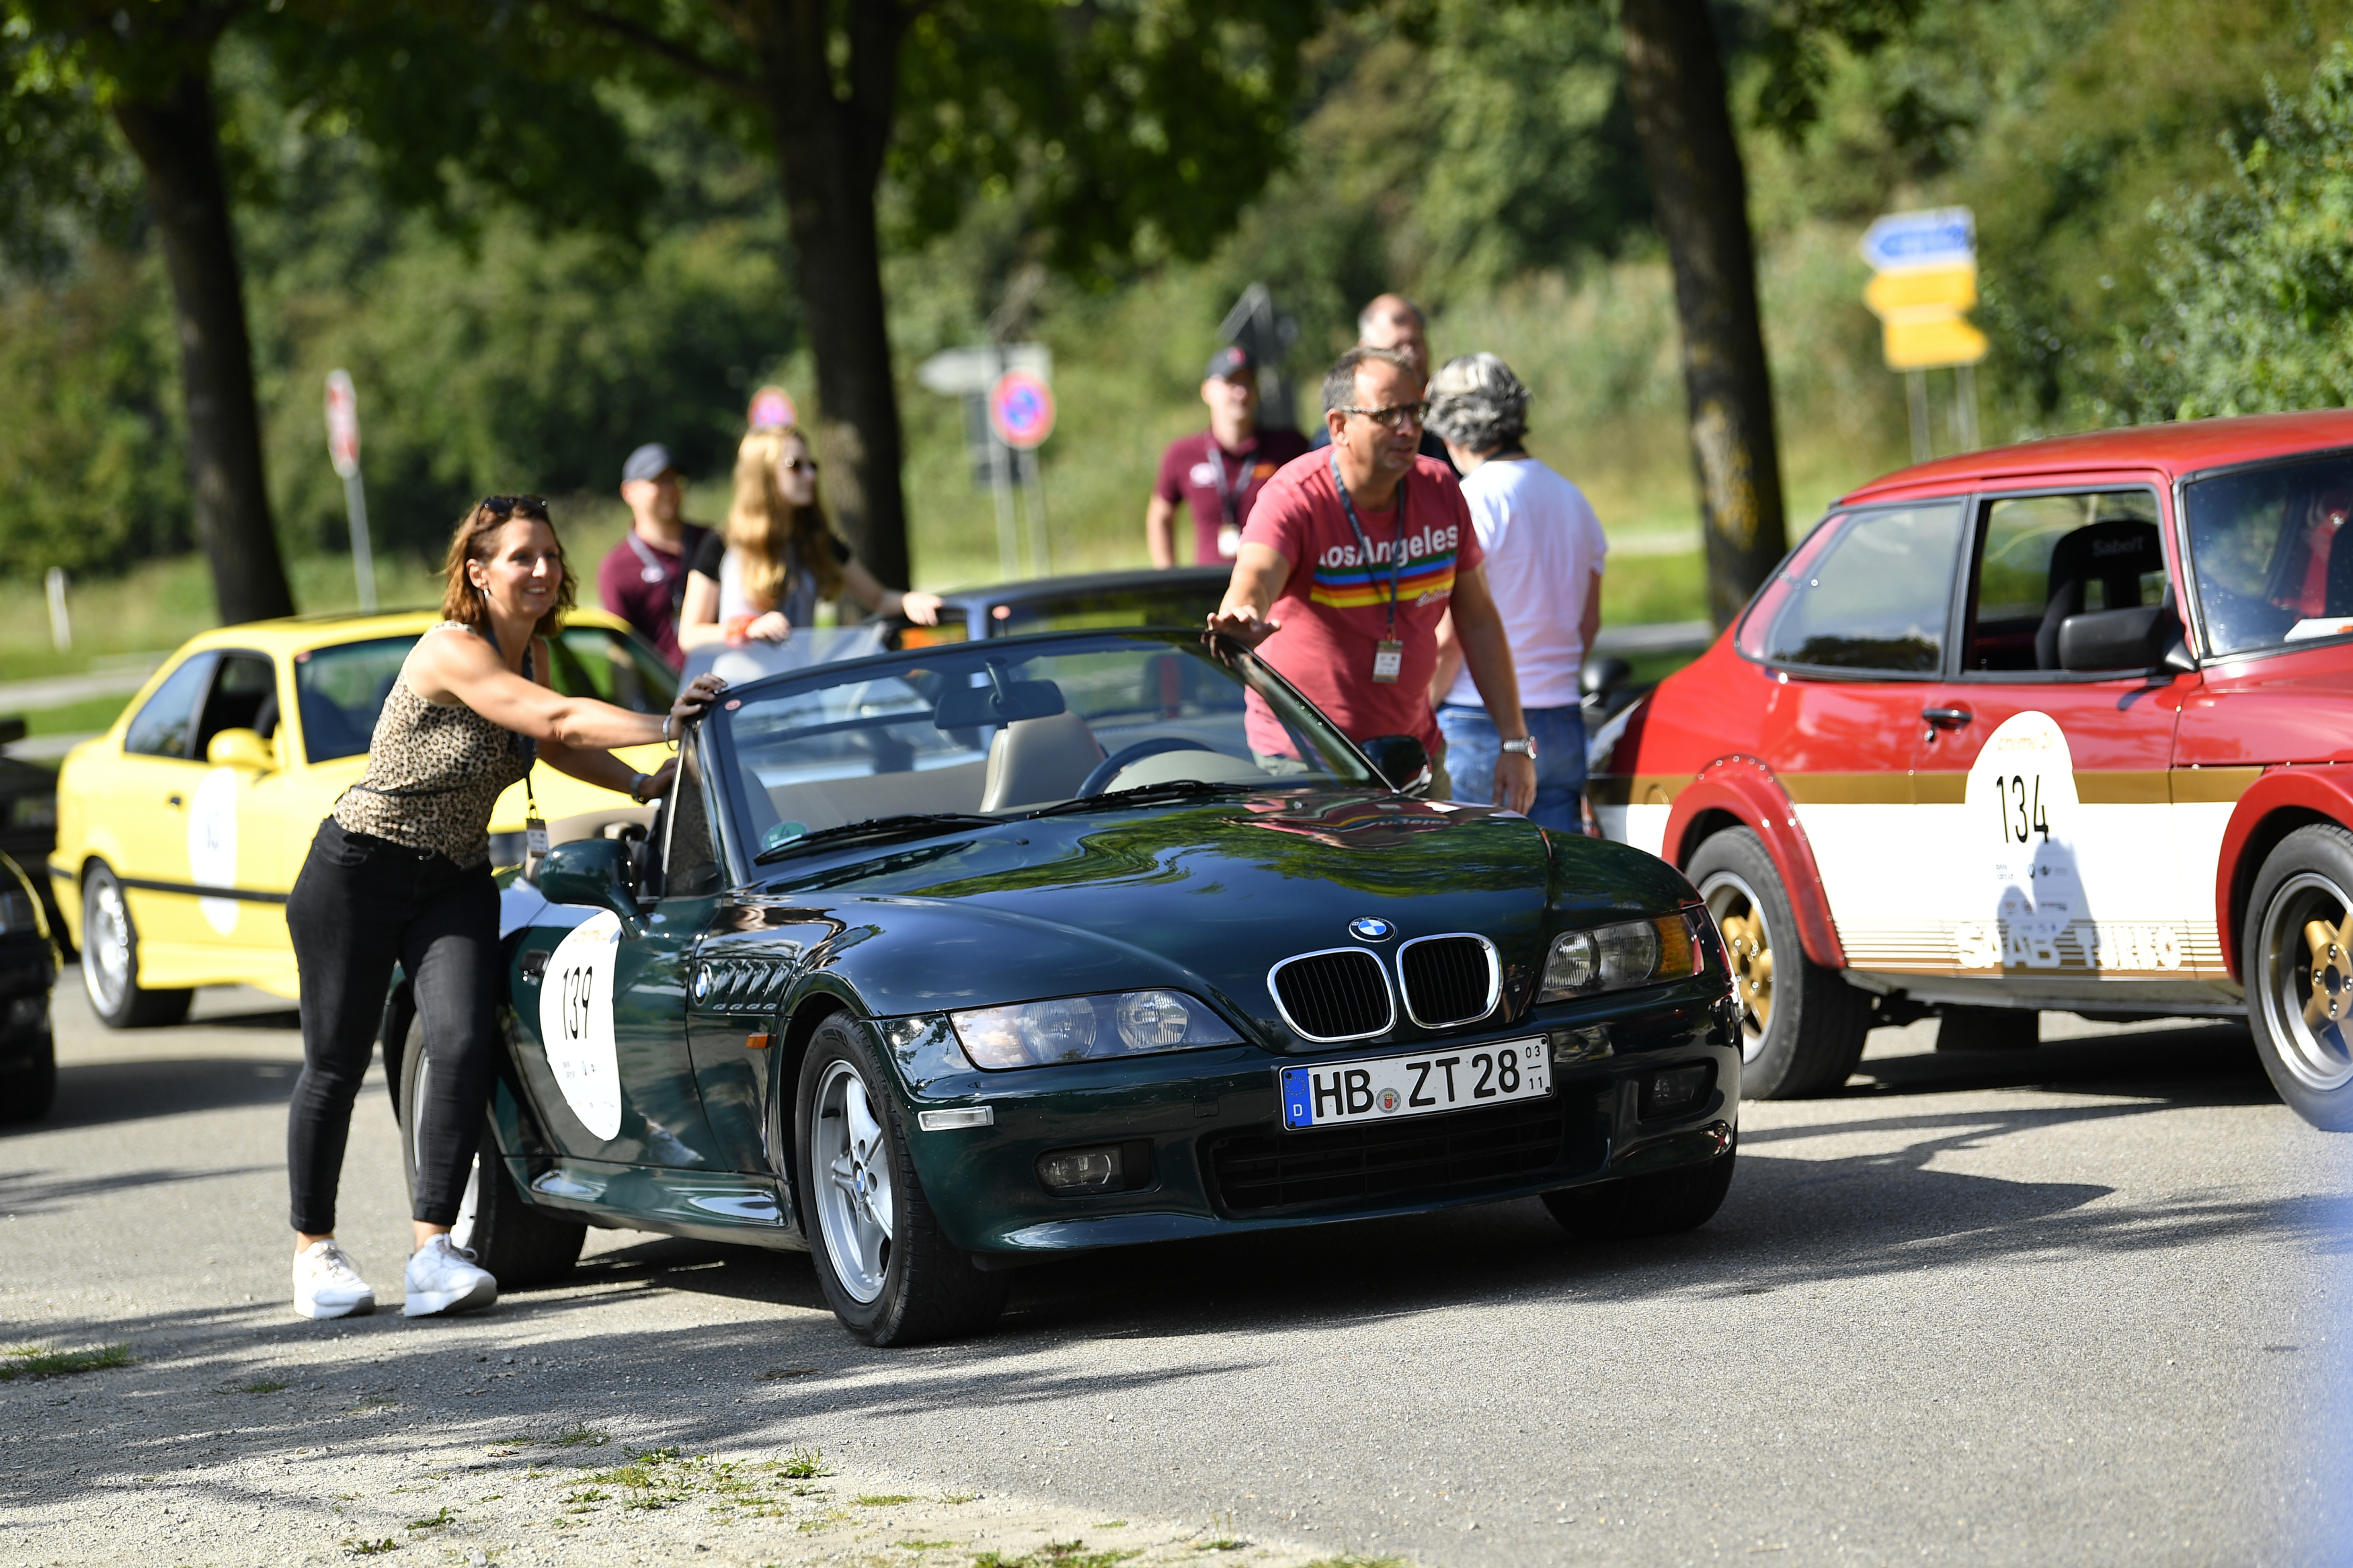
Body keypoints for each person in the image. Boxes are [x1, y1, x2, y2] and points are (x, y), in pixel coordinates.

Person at [284, 495, 723, 1321]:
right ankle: (315, 1250)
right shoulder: (451, 650)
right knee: (334, 1063)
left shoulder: (532, 654)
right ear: (478, 571)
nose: (543, 569)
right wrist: (666, 723)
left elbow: (553, 741)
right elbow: (552, 716)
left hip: (452, 878)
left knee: (460, 1044)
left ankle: (433, 1250)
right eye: (522, 556)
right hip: (359, 869)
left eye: (551, 554)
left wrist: (639, 781)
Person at [1207, 346, 1537, 813]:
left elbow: (1479, 619)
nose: (1408, 428)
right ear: (1339, 426)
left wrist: (1515, 743)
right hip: (1307, 762)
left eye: (1415, 411)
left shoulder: (1441, 488)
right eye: (1387, 415)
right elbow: (1257, 575)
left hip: (1413, 757)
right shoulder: (1295, 496)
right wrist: (1244, 613)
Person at [1425, 354, 1605, 833]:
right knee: (1554, 870)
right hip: (1562, 717)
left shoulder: (1469, 501)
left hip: (1477, 720)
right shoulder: (1573, 498)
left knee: (1475, 871)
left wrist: (1417, 713)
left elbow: (1449, 639)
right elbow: (1588, 623)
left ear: (1449, 429)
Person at [678, 425, 943, 649]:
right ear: (764, 474)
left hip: (799, 688)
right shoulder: (723, 542)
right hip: (742, 690)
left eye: (812, 465)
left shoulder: (817, 539)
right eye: (795, 466)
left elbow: (878, 599)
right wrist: (746, 628)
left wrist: (910, 600)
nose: (811, 475)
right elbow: (689, 635)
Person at [1146, 345, 1311, 568]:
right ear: (1207, 391)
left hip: (1271, 581)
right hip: (1208, 584)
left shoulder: (1289, 447)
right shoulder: (1182, 454)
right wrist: (1168, 578)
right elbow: (1160, 516)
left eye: (1248, 382)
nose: (1241, 393)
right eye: (1232, 383)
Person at [1306, 294, 1456, 472]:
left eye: (1415, 343)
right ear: (1365, 350)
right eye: (1396, 347)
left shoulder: (1453, 418)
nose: (1409, 354)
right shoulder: (1336, 442)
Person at [598, 443, 711, 670]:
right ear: (628, 492)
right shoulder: (617, 568)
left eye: (674, 480)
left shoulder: (711, 542)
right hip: (669, 690)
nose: (669, 489)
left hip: (728, 679)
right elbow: (622, 656)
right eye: (658, 481)